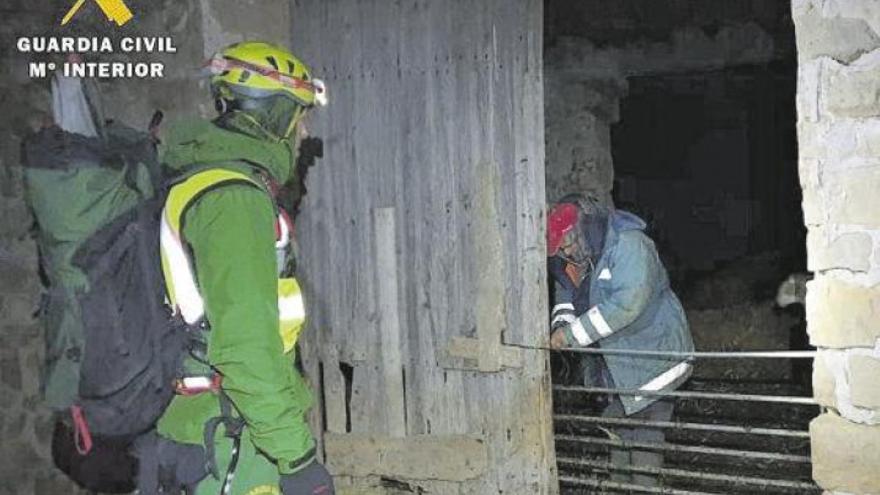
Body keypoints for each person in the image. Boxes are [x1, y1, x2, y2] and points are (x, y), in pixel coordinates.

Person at [154, 41, 334, 495]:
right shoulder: (232, 199)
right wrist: (297, 457)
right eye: (298, 114)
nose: (302, 128)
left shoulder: (201, 177)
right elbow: (245, 347)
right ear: (272, 113)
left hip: (205, 425)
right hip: (232, 438)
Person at [546, 195, 694, 489]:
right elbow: (565, 296)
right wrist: (560, 325)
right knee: (619, 434)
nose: (566, 253)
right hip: (616, 365)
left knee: (644, 440)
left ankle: (642, 486)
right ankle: (620, 484)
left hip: (652, 359)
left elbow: (627, 305)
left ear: (582, 229)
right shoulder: (576, 256)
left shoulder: (630, 246)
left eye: (567, 244)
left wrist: (571, 335)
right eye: (560, 250)